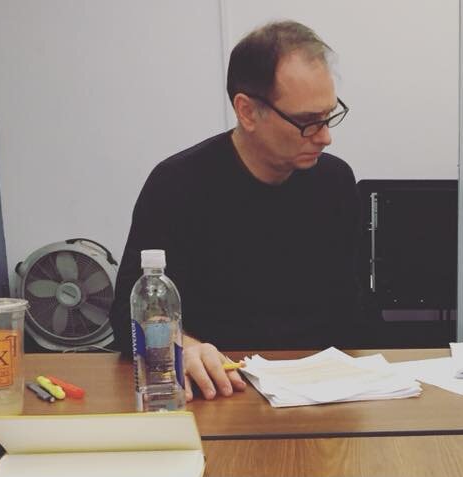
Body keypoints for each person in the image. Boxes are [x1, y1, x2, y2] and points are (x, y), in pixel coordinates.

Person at [109, 20, 371, 402]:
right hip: (218, 392)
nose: (325, 136)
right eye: (307, 122)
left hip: (317, 394)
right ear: (247, 112)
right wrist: (185, 345)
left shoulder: (334, 181)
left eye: (329, 116)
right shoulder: (177, 184)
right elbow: (125, 318)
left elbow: (350, 314)